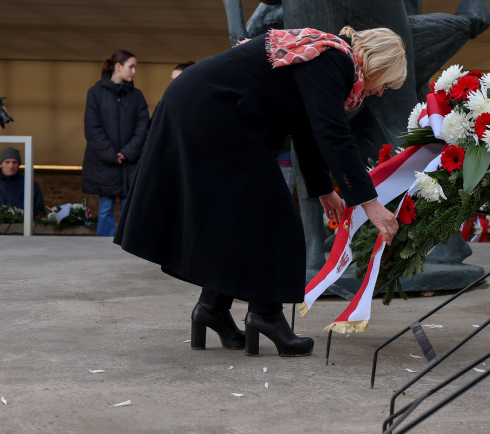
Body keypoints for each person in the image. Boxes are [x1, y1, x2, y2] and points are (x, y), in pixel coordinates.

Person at [115, 26, 406, 358]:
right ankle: (265, 316)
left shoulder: (326, 55)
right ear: (378, 65)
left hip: (204, 106)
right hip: (214, 111)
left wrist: (325, 189)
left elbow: (308, 129)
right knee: (276, 218)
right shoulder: (334, 60)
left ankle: (212, 308)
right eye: (387, 84)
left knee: (239, 217)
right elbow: (332, 132)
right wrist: (369, 203)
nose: (382, 93)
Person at [81, 50, 149, 237]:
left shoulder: (137, 96)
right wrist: (112, 154)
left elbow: (143, 127)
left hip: (129, 162)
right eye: (131, 66)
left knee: (129, 208)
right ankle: (103, 248)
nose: (134, 71)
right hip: (105, 163)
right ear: (118, 67)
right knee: (105, 208)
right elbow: (92, 128)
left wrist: (127, 152)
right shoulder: (95, 93)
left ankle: (129, 243)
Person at [0, 147, 45, 216]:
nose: (11, 166)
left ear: (19, 165)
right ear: (1, 164)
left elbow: (39, 210)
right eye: (7, 162)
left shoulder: (29, 184)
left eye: (14, 162)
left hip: (24, 225)